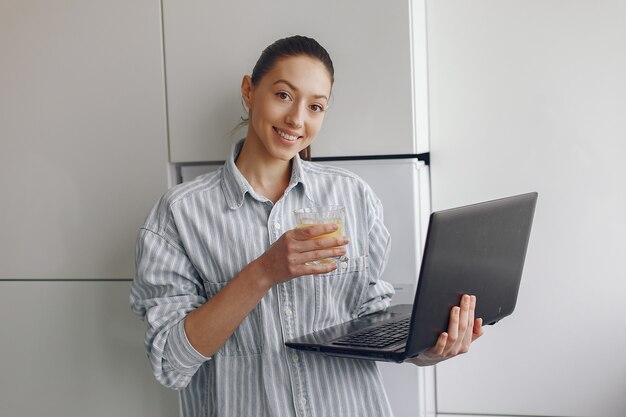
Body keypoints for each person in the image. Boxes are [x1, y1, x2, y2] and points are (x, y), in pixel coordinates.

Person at [130, 35, 483, 417]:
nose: (297, 119)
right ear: (249, 91)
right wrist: (264, 271)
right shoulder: (179, 214)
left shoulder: (353, 196)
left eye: (315, 106)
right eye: (283, 95)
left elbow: (370, 321)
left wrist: (426, 349)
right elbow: (170, 363)